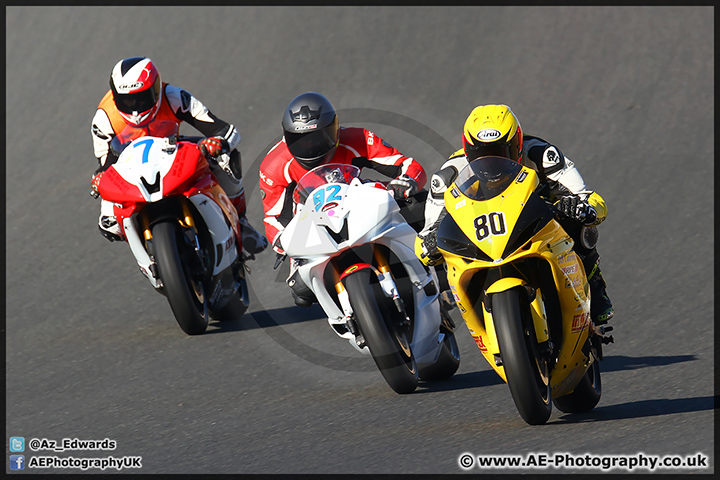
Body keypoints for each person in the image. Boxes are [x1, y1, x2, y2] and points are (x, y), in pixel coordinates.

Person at [415, 104, 614, 325]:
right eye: (481, 154)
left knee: (582, 223)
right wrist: (429, 243)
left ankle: (595, 287)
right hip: (484, 236)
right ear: (467, 150)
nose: (491, 163)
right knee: (444, 250)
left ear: (518, 143)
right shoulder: (448, 175)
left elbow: (589, 198)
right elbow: (427, 233)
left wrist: (582, 208)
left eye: (501, 152)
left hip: (538, 222)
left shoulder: (542, 155)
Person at [259, 91, 428, 307]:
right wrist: (283, 241)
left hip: (362, 206)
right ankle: (352, 317)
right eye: (301, 141)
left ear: (335, 129)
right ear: (287, 137)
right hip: (311, 225)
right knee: (302, 292)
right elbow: (273, 217)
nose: (312, 147)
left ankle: (439, 273)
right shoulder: (273, 166)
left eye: (319, 138)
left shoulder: (358, 139)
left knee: (420, 203)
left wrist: (406, 182)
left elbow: (408, 165)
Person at [90, 56, 268, 255]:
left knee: (225, 157)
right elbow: (106, 164)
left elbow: (225, 130)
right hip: (133, 164)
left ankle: (240, 221)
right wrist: (99, 179)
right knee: (109, 224)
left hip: (173, 149)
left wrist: (219, 143)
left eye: (142, 98)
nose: (135, 107)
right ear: (115, 96)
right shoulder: (104, 118)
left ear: (156, 89)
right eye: (127, 100)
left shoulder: (174, 96)